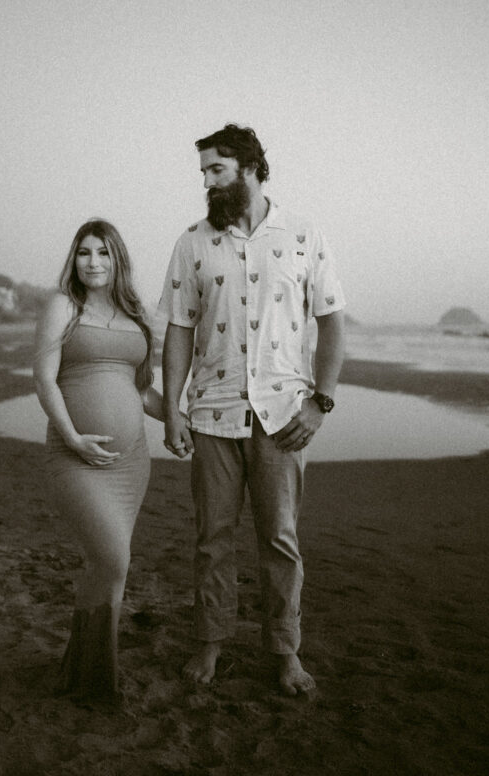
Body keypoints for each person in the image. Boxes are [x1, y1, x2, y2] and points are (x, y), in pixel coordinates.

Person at [160, 124, 345, 696]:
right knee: (212, 537)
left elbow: (332, 321)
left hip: (283, 417)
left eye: (217, 169)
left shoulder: (303, 233)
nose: (208, 182)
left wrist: (321, 401)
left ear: (250, 168)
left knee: (280, 540)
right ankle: (210, 643)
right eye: (204, 173)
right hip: (211, 414)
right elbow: (177, 329)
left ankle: (285, 652)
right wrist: (171, 409)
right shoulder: (192, 242)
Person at [33, 218, 167, 707]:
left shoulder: (137, 315)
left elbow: (141, 390)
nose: (93, 262)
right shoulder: (63, 306)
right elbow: (45, 378)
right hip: (75, 456)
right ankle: (97, 679)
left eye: (104, 253)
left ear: (118, 260)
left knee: (103, 566)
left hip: (131, 463)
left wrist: (179, 421)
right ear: (75, 258)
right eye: (85, 252)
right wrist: (72, 438)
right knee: (113, 559)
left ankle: (80, 669)